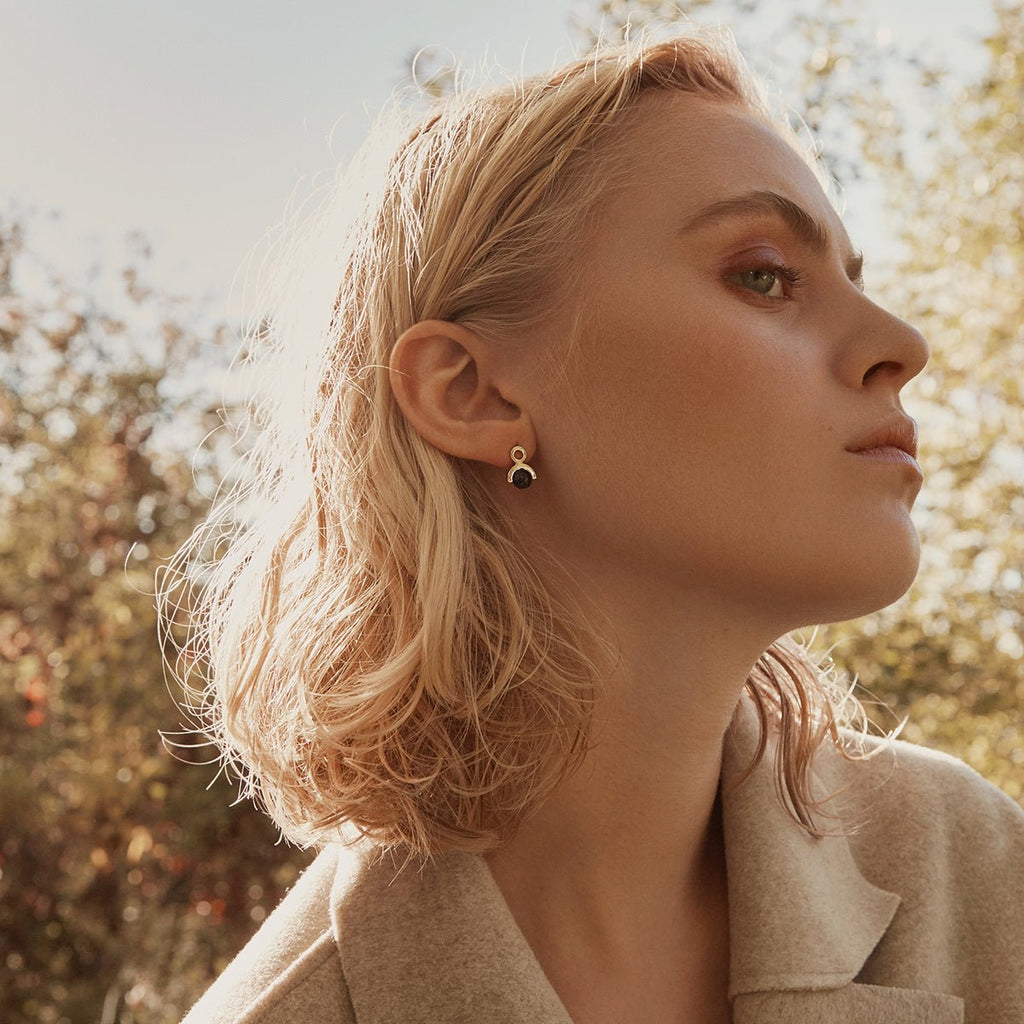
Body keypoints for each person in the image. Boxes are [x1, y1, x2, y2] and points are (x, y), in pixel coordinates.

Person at [163, 28, 1024, 1024]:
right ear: (473, 391)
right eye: (762, 273)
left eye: (854, 275)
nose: (901, 345)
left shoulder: (971, 864)